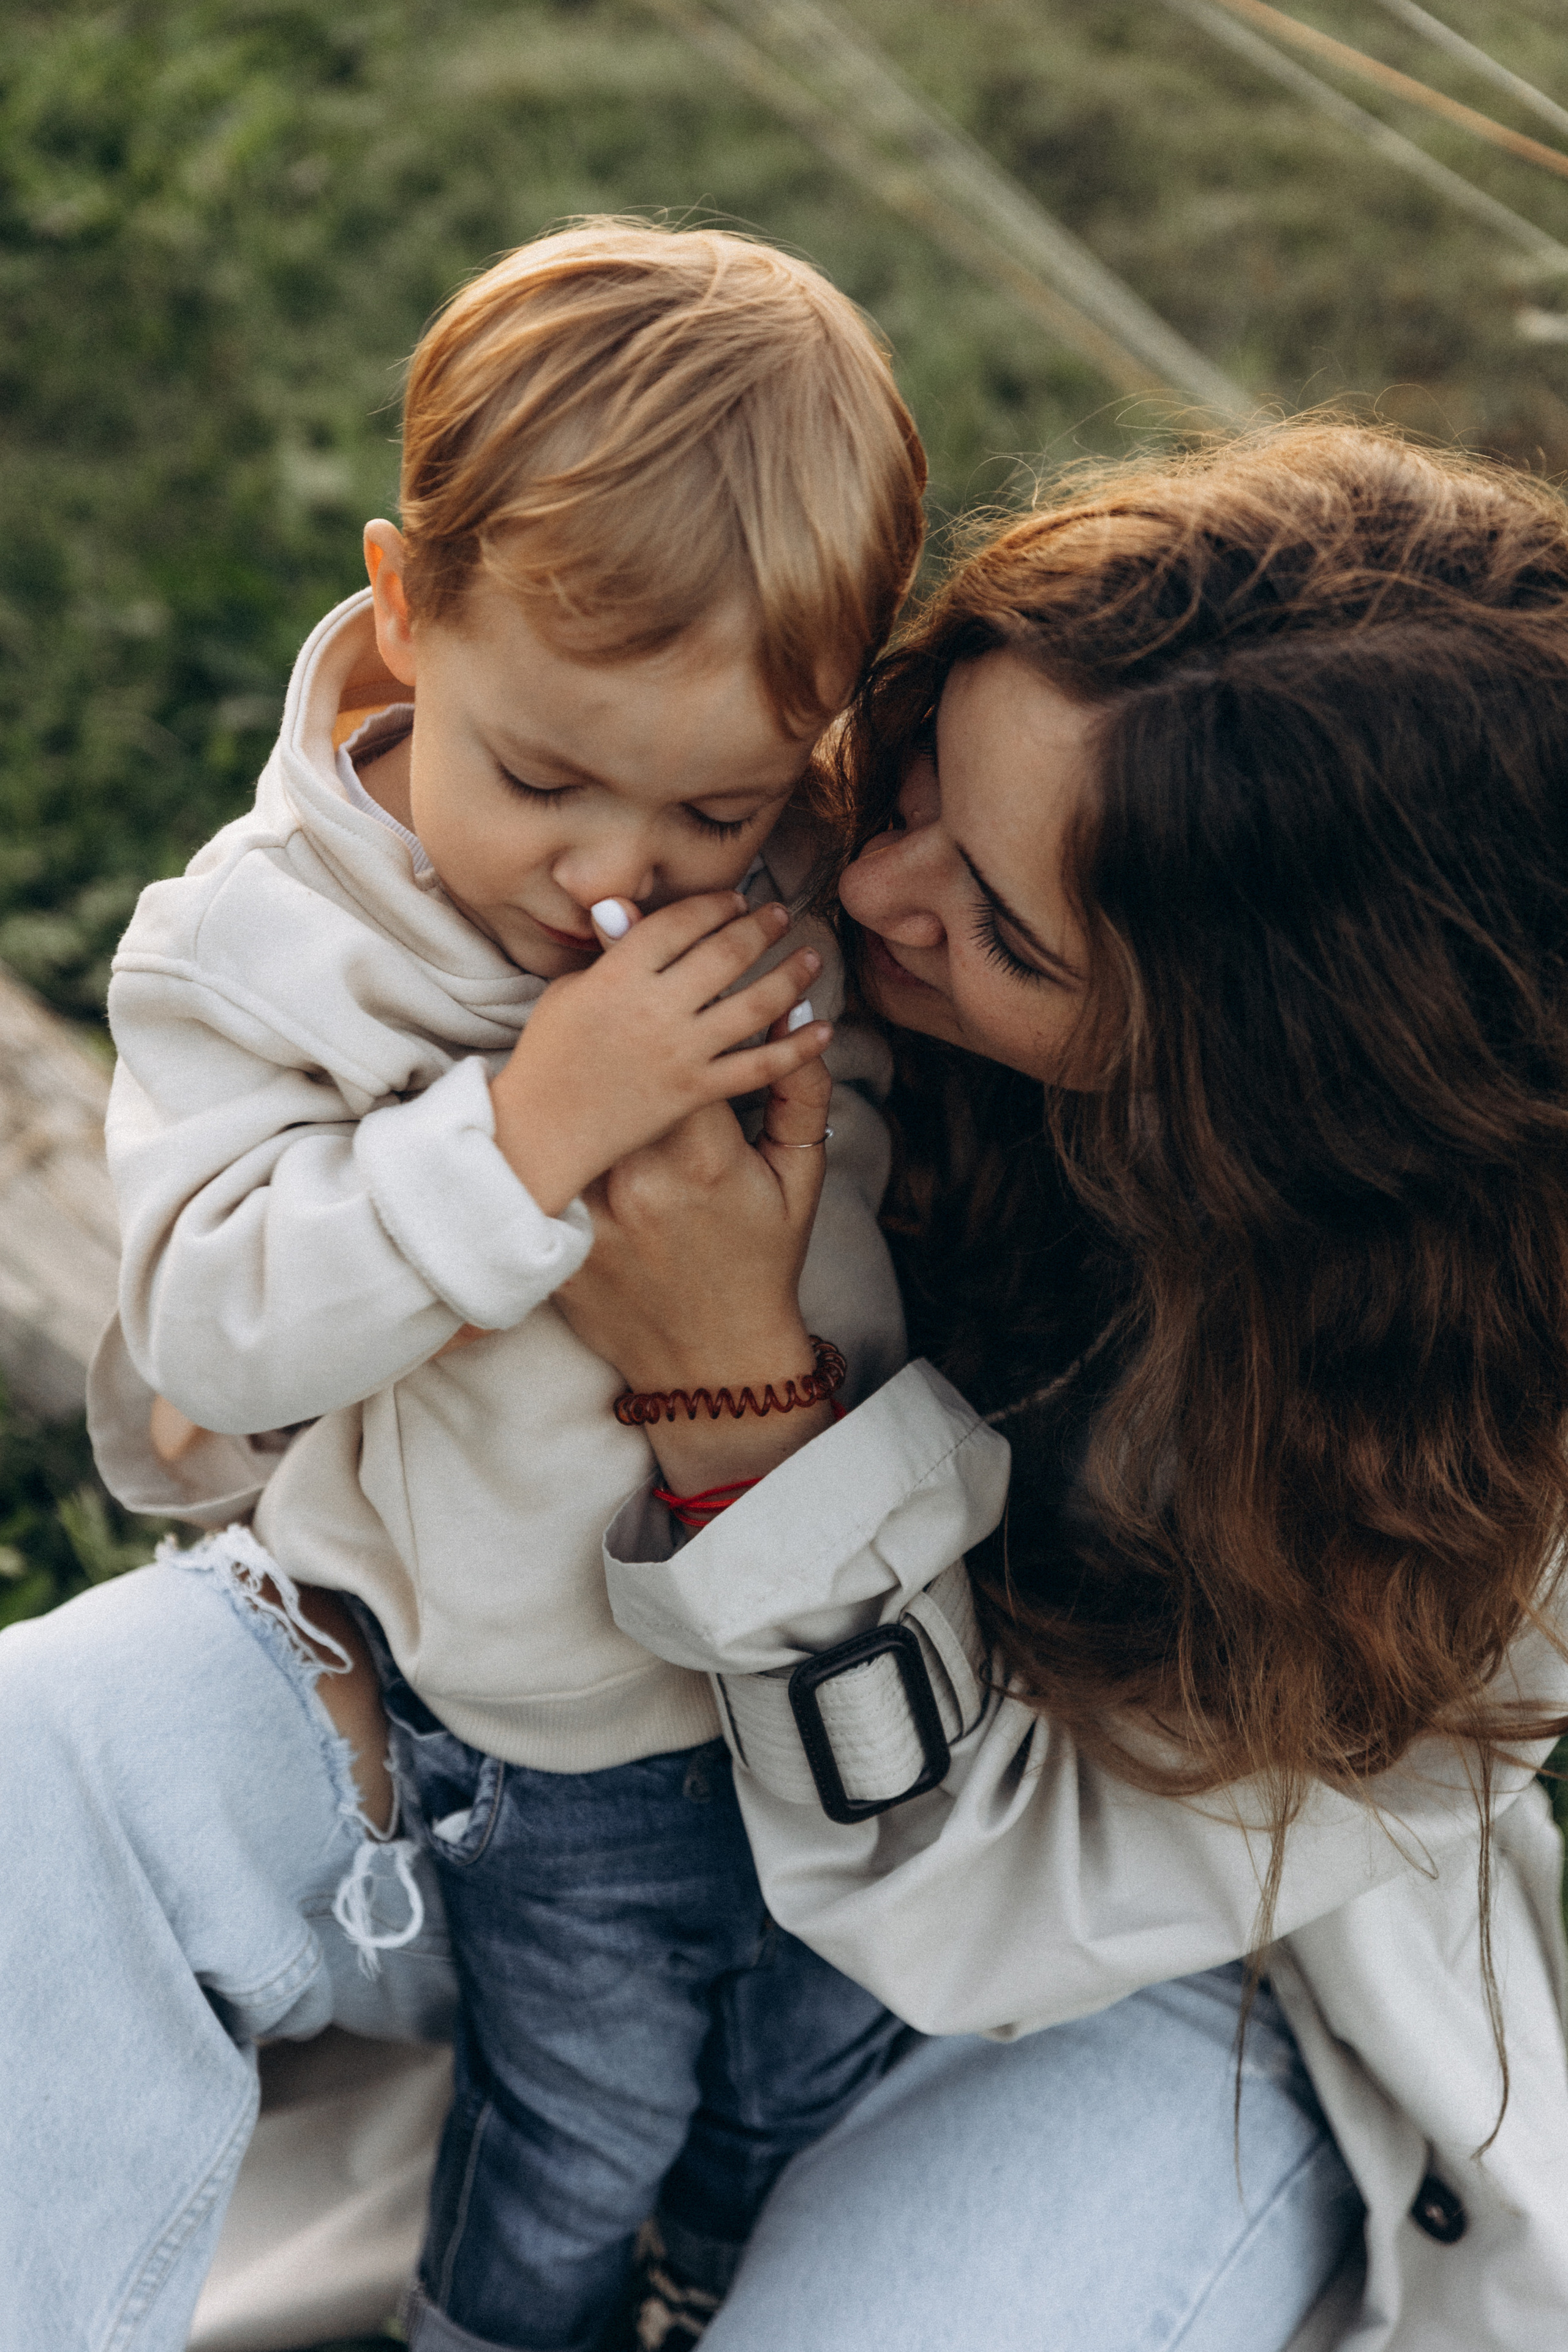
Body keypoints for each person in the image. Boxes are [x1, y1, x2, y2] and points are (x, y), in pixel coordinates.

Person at [4, 217, 925, 2352]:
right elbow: (214, 1336)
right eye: (537, 780)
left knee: (798, 2099)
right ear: (408, 611)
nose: (614, 872)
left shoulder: (814, 881)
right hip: (543, 1728)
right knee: (580, 2122)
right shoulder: (263, 947)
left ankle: (720, 2277)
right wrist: (524, 1134)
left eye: (713, 804)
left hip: (848, 1690)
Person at [549, 421, 1568, 2351]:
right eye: (923, 773)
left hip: (1148, 1973)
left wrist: (732, 1402)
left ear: (1266, 1087)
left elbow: (986, 1900)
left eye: (1004, 932)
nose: (875, 893)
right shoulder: (825, 868)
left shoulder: (1494, 1468)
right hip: (587, 1772)